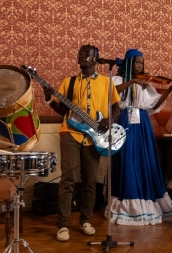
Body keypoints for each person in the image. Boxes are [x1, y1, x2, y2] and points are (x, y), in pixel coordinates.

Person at [43, 44, 121, 242]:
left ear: (96, 59)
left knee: (90, 182)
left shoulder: (106, 82)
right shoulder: (68, 83)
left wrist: (108, 121)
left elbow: (117, 109)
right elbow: (63, 112)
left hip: (94, 137)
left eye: (86, 54)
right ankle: (62, 225)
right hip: (70, 133)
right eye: (79, 54)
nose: (81, 56)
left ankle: (86, 220)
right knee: (68, 178)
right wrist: (48, 98)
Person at [108, 48, 172, 225]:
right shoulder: (118, 79)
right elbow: (112, 93)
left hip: (142, 123)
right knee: (126, 159)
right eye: (138, 62)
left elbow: (154, 104)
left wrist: (169, 91)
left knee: (143, 159)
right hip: (124, 121)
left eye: (142, 63)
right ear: (130, 63)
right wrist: (132, 81)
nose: (141, 65)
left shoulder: (146, 83)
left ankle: (146, 200)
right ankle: (128, 201)